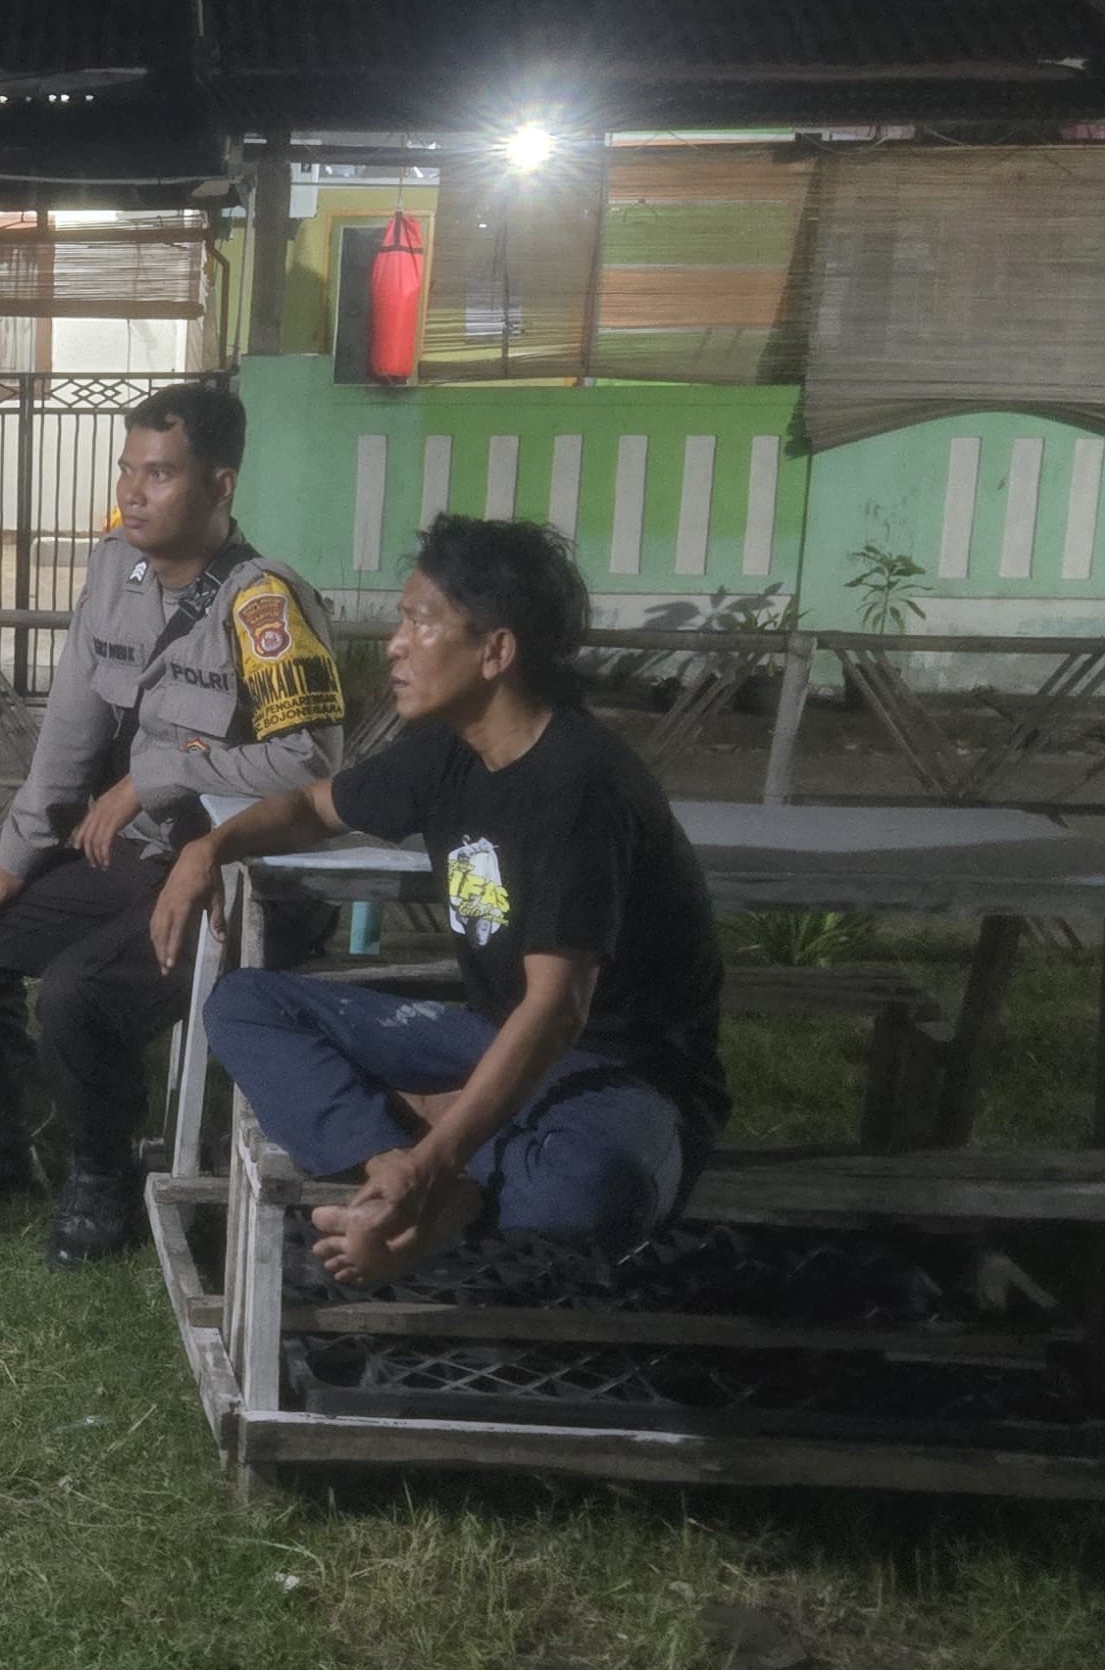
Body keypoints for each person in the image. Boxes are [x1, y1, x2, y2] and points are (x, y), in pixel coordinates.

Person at [152, 516, 727, 1289]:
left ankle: (435, 1174)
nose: (395, 644)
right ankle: (403, 1177)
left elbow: (557, 1010)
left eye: (420, 621)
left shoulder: (578, 787)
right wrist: (209, 848)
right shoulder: (447, 750)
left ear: (496, 651)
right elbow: (315, 806)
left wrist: (437, 1156)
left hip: (622, 1074)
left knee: (592, 1190)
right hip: (491, 1041)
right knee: (245, 1005)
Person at [0, 381, 346, 1268]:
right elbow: (70, 730)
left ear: (220, 485)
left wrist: (160, 773)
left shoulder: (265, 605)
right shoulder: (112, 573)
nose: (133, 493)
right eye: (127, 470)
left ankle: (101, 1176)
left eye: (159, 474)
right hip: (139, 863)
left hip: (241, 887)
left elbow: (311, 766)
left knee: (76, 992)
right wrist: (15, 858)